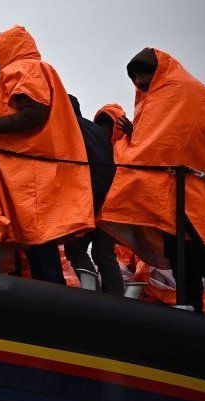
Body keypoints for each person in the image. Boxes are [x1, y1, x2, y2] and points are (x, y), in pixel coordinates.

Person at [0, 25, 95, 284]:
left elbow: (33, 114)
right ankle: (49, 294)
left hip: (33, 174)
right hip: (33, 172)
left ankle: (50, 296)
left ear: (9, 48)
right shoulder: (33, 70)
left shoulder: (24, 69)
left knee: (40, 241)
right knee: (39, 242)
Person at [97, 48, 205, 310]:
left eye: (142, 79)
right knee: (184, 257)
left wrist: (128, 143)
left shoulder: (177, 94)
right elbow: (161, 141)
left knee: (191, 255)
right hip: (178, 194)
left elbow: (163, 145)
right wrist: (134, 135)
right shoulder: (179, 95)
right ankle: (189, 312)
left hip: (184, 192)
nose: (139, 85)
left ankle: (190, 310)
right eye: (136, 81)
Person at [62, 94, 124, 295]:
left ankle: (92, 294)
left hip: (88, 196)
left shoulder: (69, 127)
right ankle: (115, 299)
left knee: (75, 248)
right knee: (104, 252)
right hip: (111, 198)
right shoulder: (98, 133)